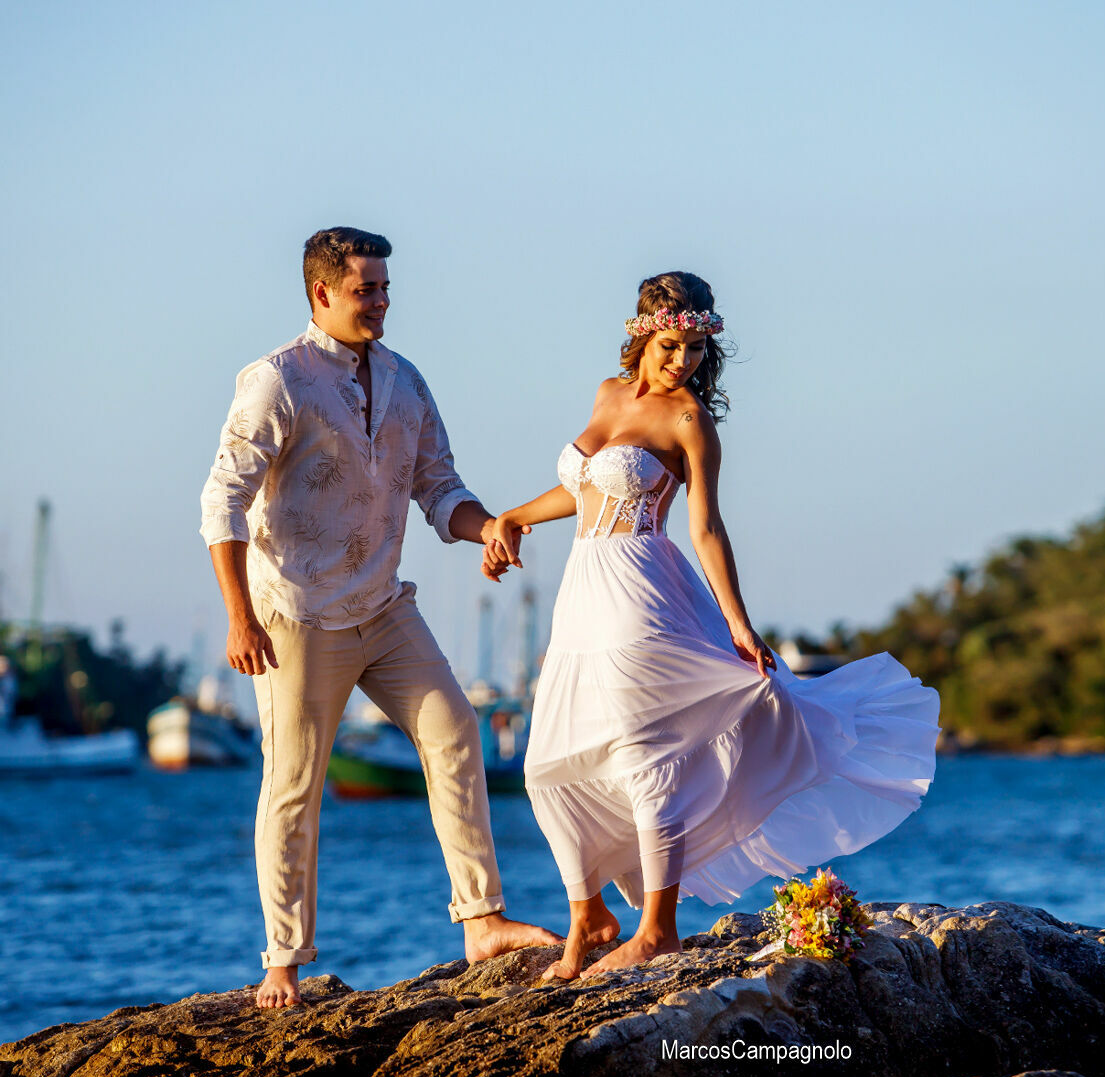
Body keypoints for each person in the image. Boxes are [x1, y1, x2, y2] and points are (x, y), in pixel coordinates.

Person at [480, 271, 939, 979]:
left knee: (645, 756)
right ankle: (588, 915)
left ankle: (656, 929)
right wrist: (513, 517)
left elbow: (707, 527)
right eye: (671, 345)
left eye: (695, 349)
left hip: (643, 592)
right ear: (641, 334)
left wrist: (738, 623)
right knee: (549, 764)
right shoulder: (608, 393)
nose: (682, 362)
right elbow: (585, 487)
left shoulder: (690, 419)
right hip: (582, 596)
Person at [199, 226, 560, 1009]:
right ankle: (283, 964)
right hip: (294, 616)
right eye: (366, 289)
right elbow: (219, 502)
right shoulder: (276, 381)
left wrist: (487, 527)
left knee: (456, 730)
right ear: (321, 293)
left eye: (386, 288)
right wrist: (239, 617)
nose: (381, 302)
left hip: (384, 608)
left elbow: (439, 488)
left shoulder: (404, 379)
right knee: (293, 785)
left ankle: (481, 921)